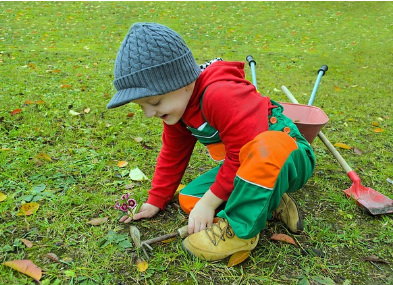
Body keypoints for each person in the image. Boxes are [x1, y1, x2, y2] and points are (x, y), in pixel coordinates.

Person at [107, 22, 315, 261]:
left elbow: (241, 153)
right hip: (248, 168)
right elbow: (172, 155)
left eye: (154, 103)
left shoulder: (219, 94)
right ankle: (271, 200)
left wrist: (209, 203)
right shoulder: (178, 112)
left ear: (183, 82)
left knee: (264, 147)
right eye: (142, 106)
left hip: (289, 155)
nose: (148, 113)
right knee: (190, 200)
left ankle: (240, 232)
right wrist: (156, 200)